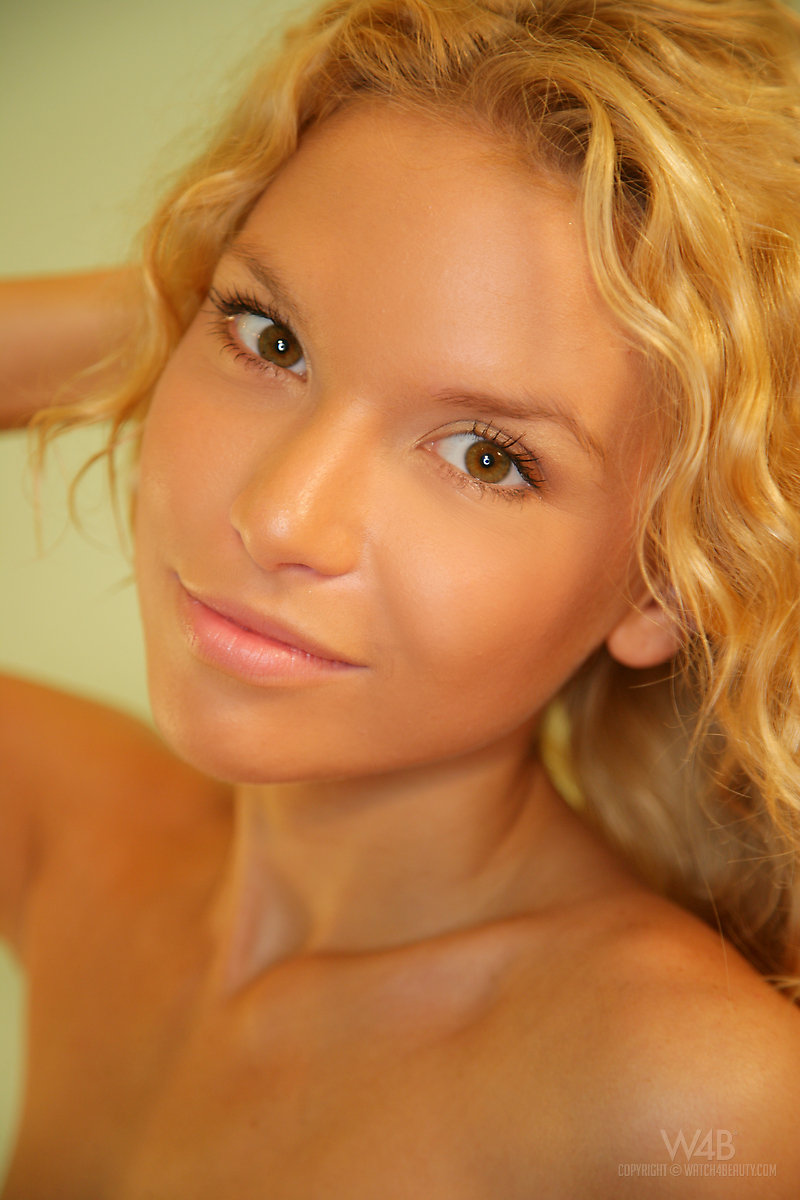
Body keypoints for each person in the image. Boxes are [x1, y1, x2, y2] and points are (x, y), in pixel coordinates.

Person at [2, 0, 800, 1194]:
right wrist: (186, 280)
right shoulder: (80, 839)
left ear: (660, 586)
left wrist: (282, 304)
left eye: (485, 456)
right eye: (268, 339)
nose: (280, 517)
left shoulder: (680, 1097)